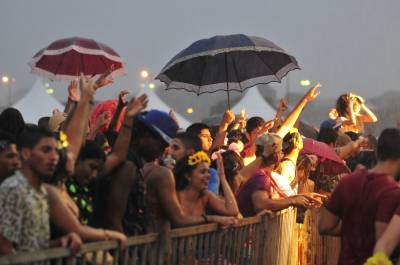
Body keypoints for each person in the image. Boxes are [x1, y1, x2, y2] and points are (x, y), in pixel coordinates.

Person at [98, 110, 236, 236]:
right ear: (146, 137)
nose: (166, 149)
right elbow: (114, 220)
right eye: (163, 143)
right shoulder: (132, 167)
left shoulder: (143, 166)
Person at [319, 128, 400, 265]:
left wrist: (351, 226)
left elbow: (324, 226)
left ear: (378, 152)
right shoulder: (392, 191)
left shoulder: (347, 182)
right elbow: (382, 244)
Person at [0, 125, 81, 255]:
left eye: (56, 151)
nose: (54, 157)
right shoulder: (13, 189)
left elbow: (32, 248)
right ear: (26, 153)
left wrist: (61, 242)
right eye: (46, 150)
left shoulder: (42, 192)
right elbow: (5, 249)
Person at [174, 151, 239, 218]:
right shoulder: (175, 196)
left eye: (208, 172)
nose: (209, 176)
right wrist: (212, 219)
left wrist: (222, 176)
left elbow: (232, 211)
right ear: (188, 176)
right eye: (203, 172)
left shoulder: (206, 195)